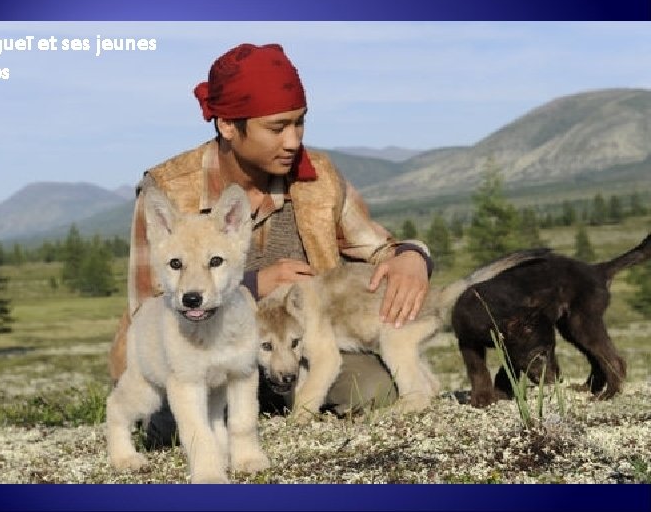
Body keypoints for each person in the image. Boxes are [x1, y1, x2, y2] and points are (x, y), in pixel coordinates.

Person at [108, 43, 433, 444]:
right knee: (181, 423)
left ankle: (283, 408)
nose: (293, 141)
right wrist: (252, 285)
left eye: (300, 123)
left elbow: (381, 248)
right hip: (205, 355)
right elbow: (148, 309)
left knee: (373, 390)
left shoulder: (318, 177)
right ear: (228, 125)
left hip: (299, 353)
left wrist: (413, 256)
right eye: (277, 128)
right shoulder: (169, 193)